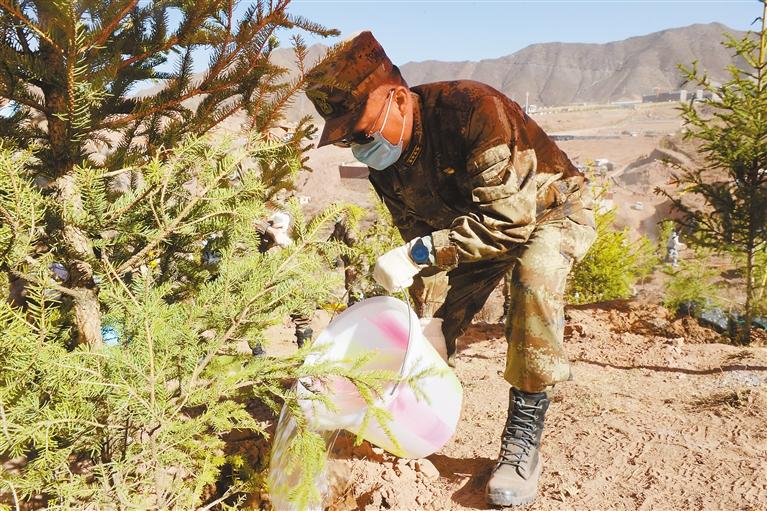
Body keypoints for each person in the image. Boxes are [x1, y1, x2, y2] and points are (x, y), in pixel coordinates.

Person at [305, 32, 596, 507]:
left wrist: (419, 255)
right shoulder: (386, 164)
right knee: (430, 325)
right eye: (348, 140)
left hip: (548, 210)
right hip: (474, 226)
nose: (358, 147)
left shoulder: (472, 110)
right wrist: (429, 321)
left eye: (361, 131)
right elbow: (419, 238)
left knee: (532, 279)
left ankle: (523, 438)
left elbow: (508, 224)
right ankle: (405, 416)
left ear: (399, 100)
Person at [256, 211, 314, 350]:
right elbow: (246, 217)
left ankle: (304, 354)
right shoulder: (259, 208)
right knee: (251, 312)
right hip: (257, 262)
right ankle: (258, 355)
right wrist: (270, 230)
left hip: (284, 264)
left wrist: (282, 227)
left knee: (301, 312)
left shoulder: (284, 206)